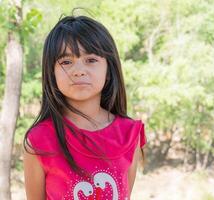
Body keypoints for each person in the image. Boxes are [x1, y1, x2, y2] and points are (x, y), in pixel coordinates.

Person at [23, 15, 147, 200]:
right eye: (66, 62)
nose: (79, 70)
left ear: (108, 71)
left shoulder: (129, 134)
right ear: (52, 73)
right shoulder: (38, 141)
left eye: (91, 60)